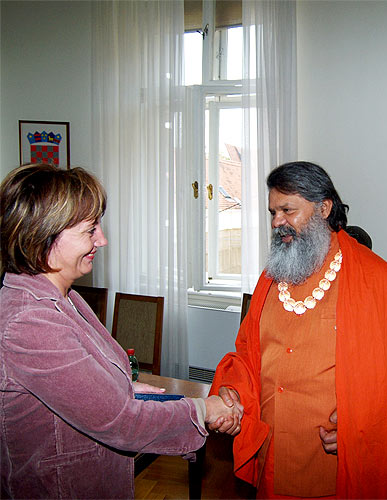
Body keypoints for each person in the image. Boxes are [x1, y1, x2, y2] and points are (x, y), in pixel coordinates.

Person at [0, 163, 243, 500]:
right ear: (43, 236)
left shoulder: (65, 296)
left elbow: (87, 387)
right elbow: (119, 422)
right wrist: (205, 410)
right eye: (90, 230)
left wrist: (125, 387)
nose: (102, 239)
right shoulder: (29, 323)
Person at [208, 161, 387, 499]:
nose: (277, 222)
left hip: (336, 468)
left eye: (288, 210)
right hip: (272, 458)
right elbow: (247, 355)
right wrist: (232, 393)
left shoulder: (379, 282)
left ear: (324, 208)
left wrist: (359, 422)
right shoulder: (270, 278)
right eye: (273, 212)